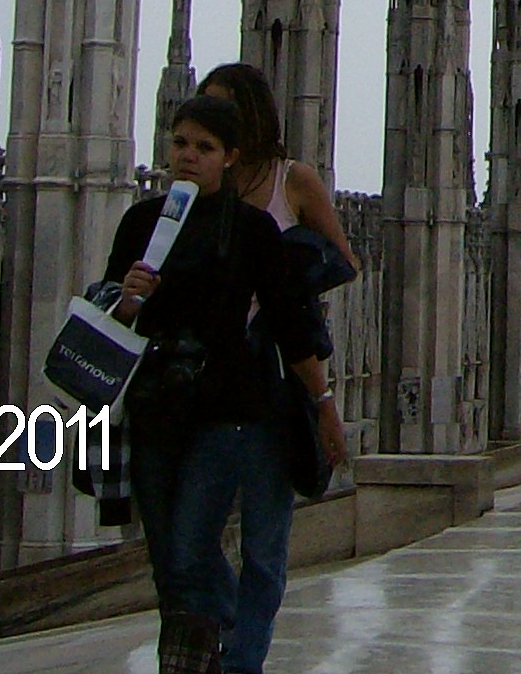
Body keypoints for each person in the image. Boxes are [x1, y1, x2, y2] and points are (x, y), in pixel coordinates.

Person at [107, 93, 344, 674]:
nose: (188, 156)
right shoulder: (143, 221)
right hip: (157, 404)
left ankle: (220, 653)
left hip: (226, 410)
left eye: (204, 148)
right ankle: (202, 654)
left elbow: (291, 322)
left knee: (190, 545)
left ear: (230, 158)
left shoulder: (252, 229)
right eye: (180, 143)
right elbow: (109, 319)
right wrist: (128, 300)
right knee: (167, 557)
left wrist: (324, 403)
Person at [191, 63, 355, 672]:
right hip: (205, 380)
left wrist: (277, 277)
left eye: (223, 109)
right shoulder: (200, 185)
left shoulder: (294, 181)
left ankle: (243, 661)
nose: (210, 121)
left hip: (276, 383)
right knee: (189, 538)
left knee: (264, 546)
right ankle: (232, 628)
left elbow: (343, 260)